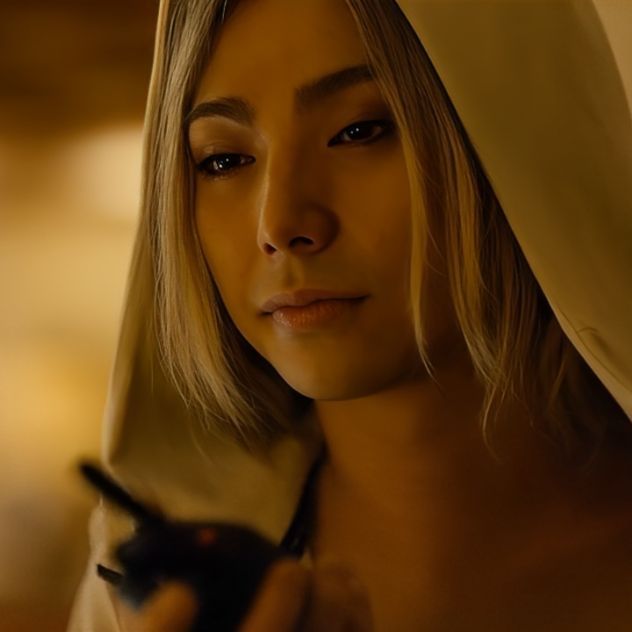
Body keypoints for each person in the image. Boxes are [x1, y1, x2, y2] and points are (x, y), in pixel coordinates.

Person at [67, 0, 632, 630]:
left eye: (359, 131)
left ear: (517, 139)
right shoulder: (156, 596)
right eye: (223, 160)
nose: (280, 223)